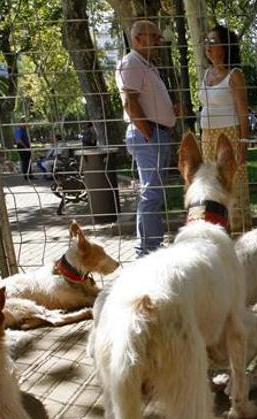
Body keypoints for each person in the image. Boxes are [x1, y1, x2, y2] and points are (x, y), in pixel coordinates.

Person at [116, 20, 178, 257]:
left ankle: (150, 248)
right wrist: (150, 134)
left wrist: (170, 112)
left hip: (155, 133)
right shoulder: (131, 63)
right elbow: (129, 103)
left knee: (154, 193)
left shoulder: (146, 65)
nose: (159, 41)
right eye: (154, 37)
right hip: (148, 135)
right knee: (151, 193)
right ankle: (147, 252)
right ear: (138, 39)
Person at [199, 24, 252, 234]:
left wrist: (243, 143)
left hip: (229, 135)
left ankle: (240, 234)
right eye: (206, 42)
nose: (208, 46)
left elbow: (243, 112)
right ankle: (218, 232)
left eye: (213, 41)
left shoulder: (234, 75)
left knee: (234, 187)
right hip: (207, 137)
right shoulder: (205, 74)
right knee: (212, 186)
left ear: (225, 46)